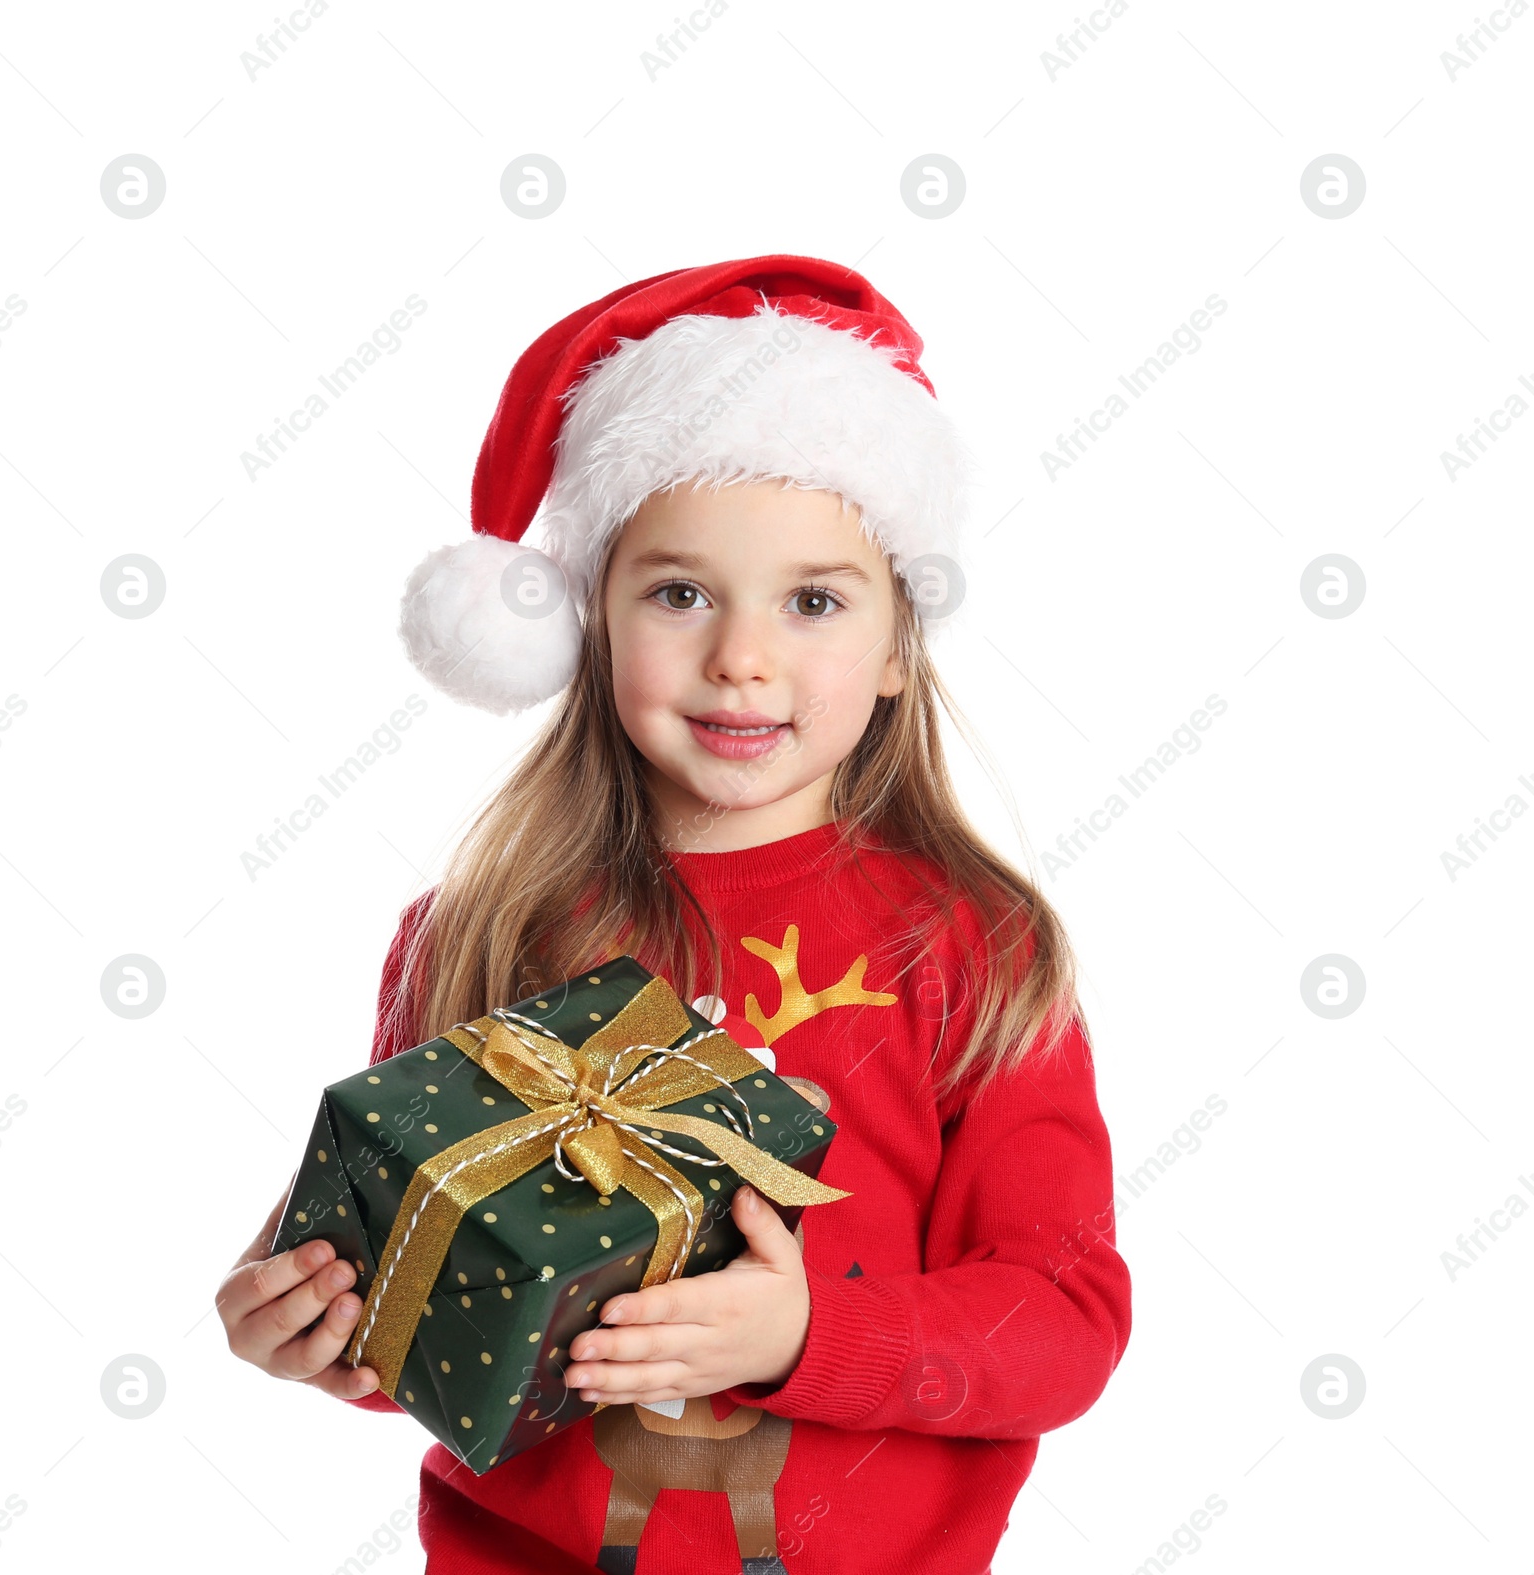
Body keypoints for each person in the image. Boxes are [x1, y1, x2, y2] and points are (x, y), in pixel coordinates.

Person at [217, 255, 1133, 1574]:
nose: (741, 656)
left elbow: (1062, 1321)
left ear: (894, 648)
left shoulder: (975, 949)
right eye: (679, 593)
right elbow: (437, 1303)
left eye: (812, 600)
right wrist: (318, 1327)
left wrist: (807, 1338)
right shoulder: (478, 930)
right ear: (588, 619)